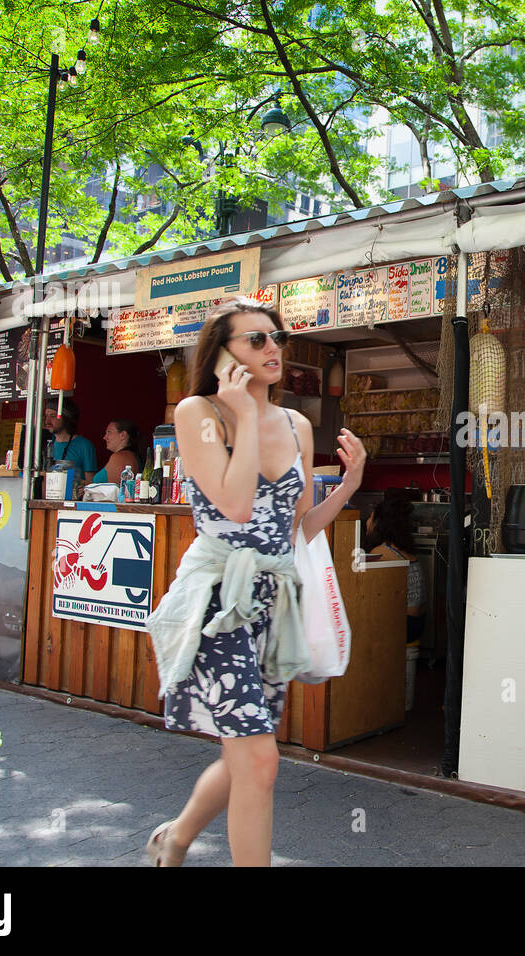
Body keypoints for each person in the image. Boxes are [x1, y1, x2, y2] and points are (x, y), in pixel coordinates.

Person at [145, 296, 365, 867]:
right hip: (219, 602)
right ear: (222, 354)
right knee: (260, 758)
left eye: (277, 338)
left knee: (247, 753)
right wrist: (243, 415)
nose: (274, 349)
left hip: (271, 601)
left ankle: (174, 840)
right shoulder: (199, 413)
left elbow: (296, 529)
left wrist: (348, 485)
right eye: (256, 340)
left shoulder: (296, 423)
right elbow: (237, 506)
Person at [367, 490, 427, 643]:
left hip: (404, 625)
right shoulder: (406, 551)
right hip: (418, 623)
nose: (367, 521)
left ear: (379, 523)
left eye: (371, 517)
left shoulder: (381, 553)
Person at [44, 397, 97, 482]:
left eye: (53, 416)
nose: (47, 421)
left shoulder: (84, 445)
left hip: (73, 494)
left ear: (66, 418)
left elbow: (91, 485)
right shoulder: (46, 444)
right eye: (46, 416)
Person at [91, 419, 141, 484]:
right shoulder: (132, 455)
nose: (105, 437)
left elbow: (115, 491)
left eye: (109, 432)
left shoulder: (119, 457)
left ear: (123, 435)